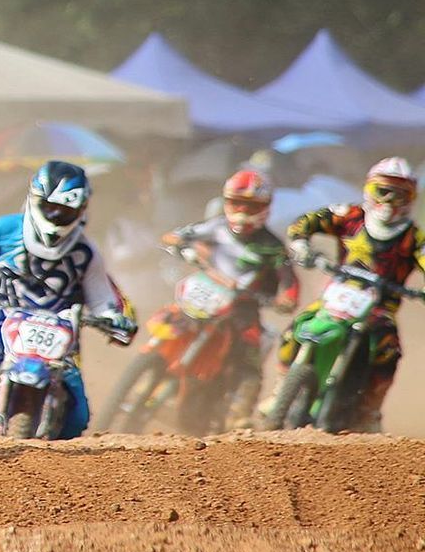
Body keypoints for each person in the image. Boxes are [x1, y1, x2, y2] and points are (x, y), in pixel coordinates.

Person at [0, 160, 135, 437]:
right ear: (35, 198)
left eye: (65, 211)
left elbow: (101, 297)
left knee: (78, 417)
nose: (55, 216)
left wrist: (113, 318)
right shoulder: (7, 229)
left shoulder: (86, 252)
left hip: (60, 342)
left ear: (80, 211)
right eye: (50, 207)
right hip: (0, 330)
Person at [270, 157, 425, 431]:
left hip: (381, 307)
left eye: (399, 194)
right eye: (383, 191)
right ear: (370, 189)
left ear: (410, 198)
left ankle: (369, 410)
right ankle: (281, 388)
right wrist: (301, 244)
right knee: (295, 328)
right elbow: (306, 222)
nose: (390, 201)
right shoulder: (350, 215)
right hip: (339, 293)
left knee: (389, 351)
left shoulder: (414, 237)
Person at [159, 168, 296, 421]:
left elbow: (289, 280)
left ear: (264, 207)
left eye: (251, 206)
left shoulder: (273, 246)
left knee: (250, 346)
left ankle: (239, 411)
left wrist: (286, 298)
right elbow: (176, 235)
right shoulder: (216, 227)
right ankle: (154, 361)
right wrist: (182, 245)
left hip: (243, 305)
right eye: (237, 203)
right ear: (226, 202)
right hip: (207, 292)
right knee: (169, 317)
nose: (242, 212)